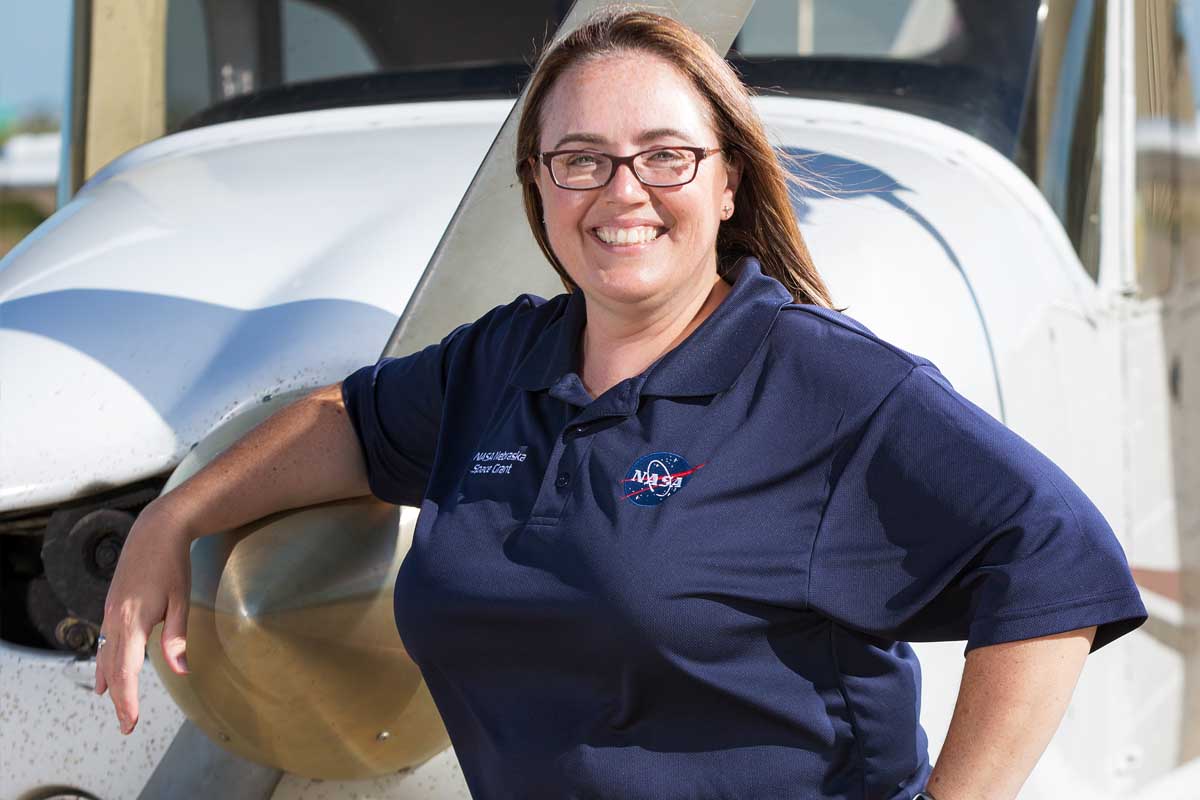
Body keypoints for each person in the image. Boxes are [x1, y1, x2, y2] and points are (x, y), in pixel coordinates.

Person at [96, 8, 1147, 800]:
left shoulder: (826, 383)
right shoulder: (504, 360)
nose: (622, 190)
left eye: (665, 155)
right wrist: (173, 515)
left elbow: (1054, 558)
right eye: (581, 160)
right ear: (540, 189)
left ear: (727, 181)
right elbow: (349, 425)